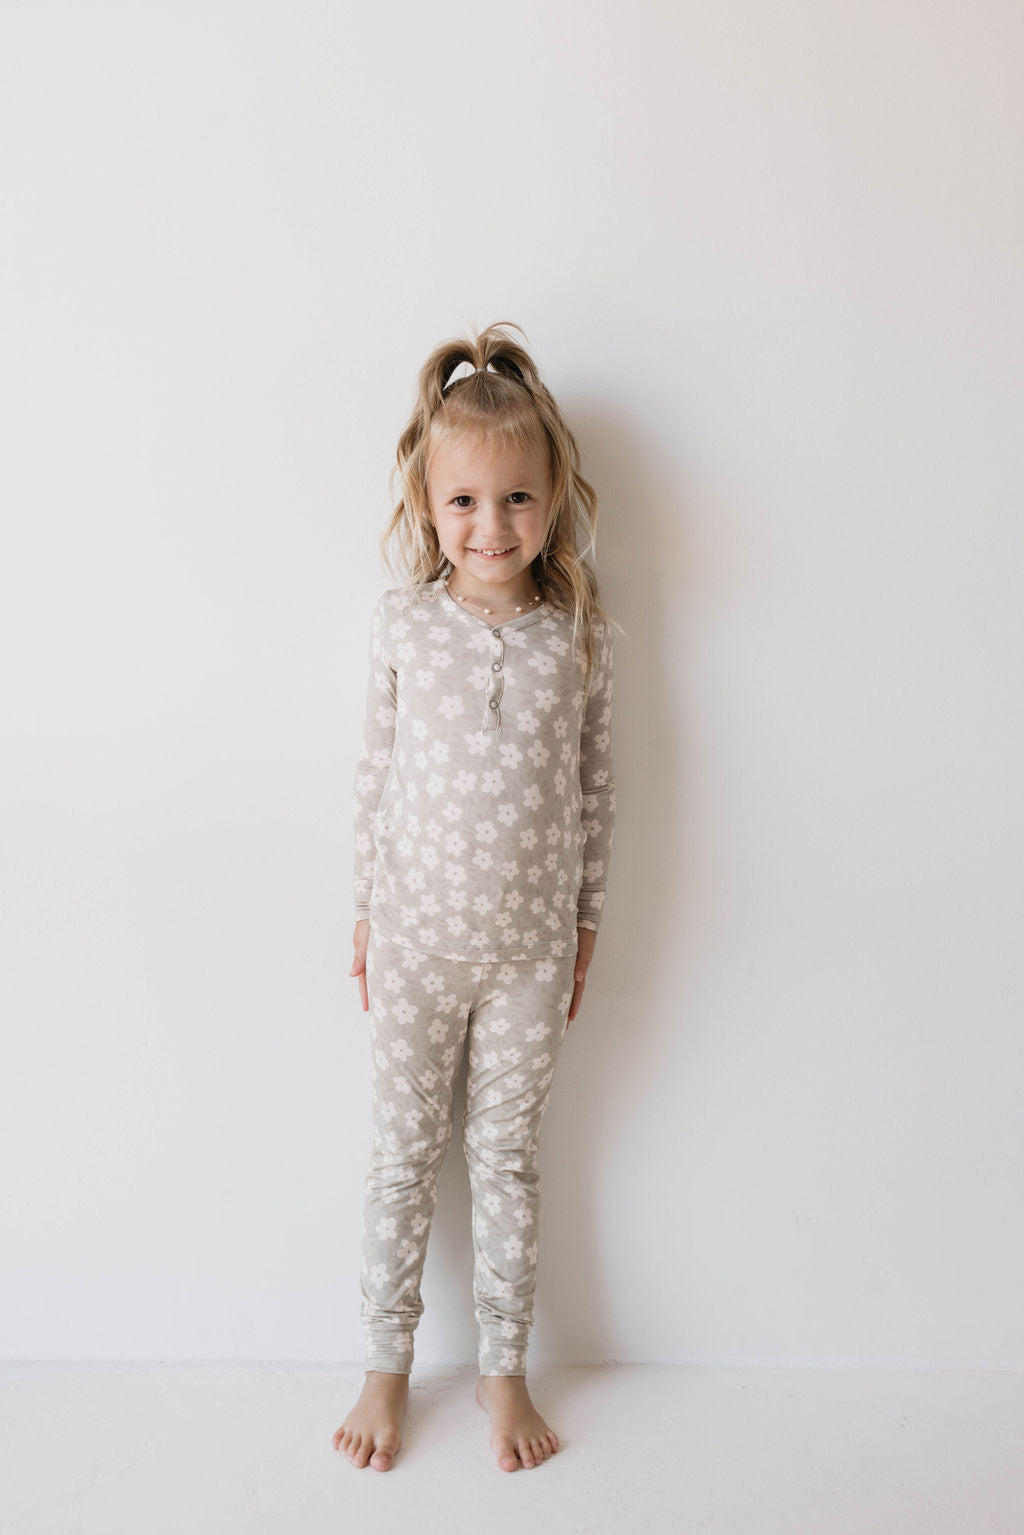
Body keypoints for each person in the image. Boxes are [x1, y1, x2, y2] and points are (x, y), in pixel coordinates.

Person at [332, 321, 618, 1474]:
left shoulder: (578, 635)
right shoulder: (403, 622)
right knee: (403, 1154)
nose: (489, 527)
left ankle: (504, 1370)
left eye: (515, 499)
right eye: (463, 502)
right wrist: (363, 910)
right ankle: (384, 1365)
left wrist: (587, 927)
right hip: (412, 942)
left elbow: (598, 789)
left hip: (528, 953)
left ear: (551, 499)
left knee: (506, 1158)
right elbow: (372, 776)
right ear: (427, 499)